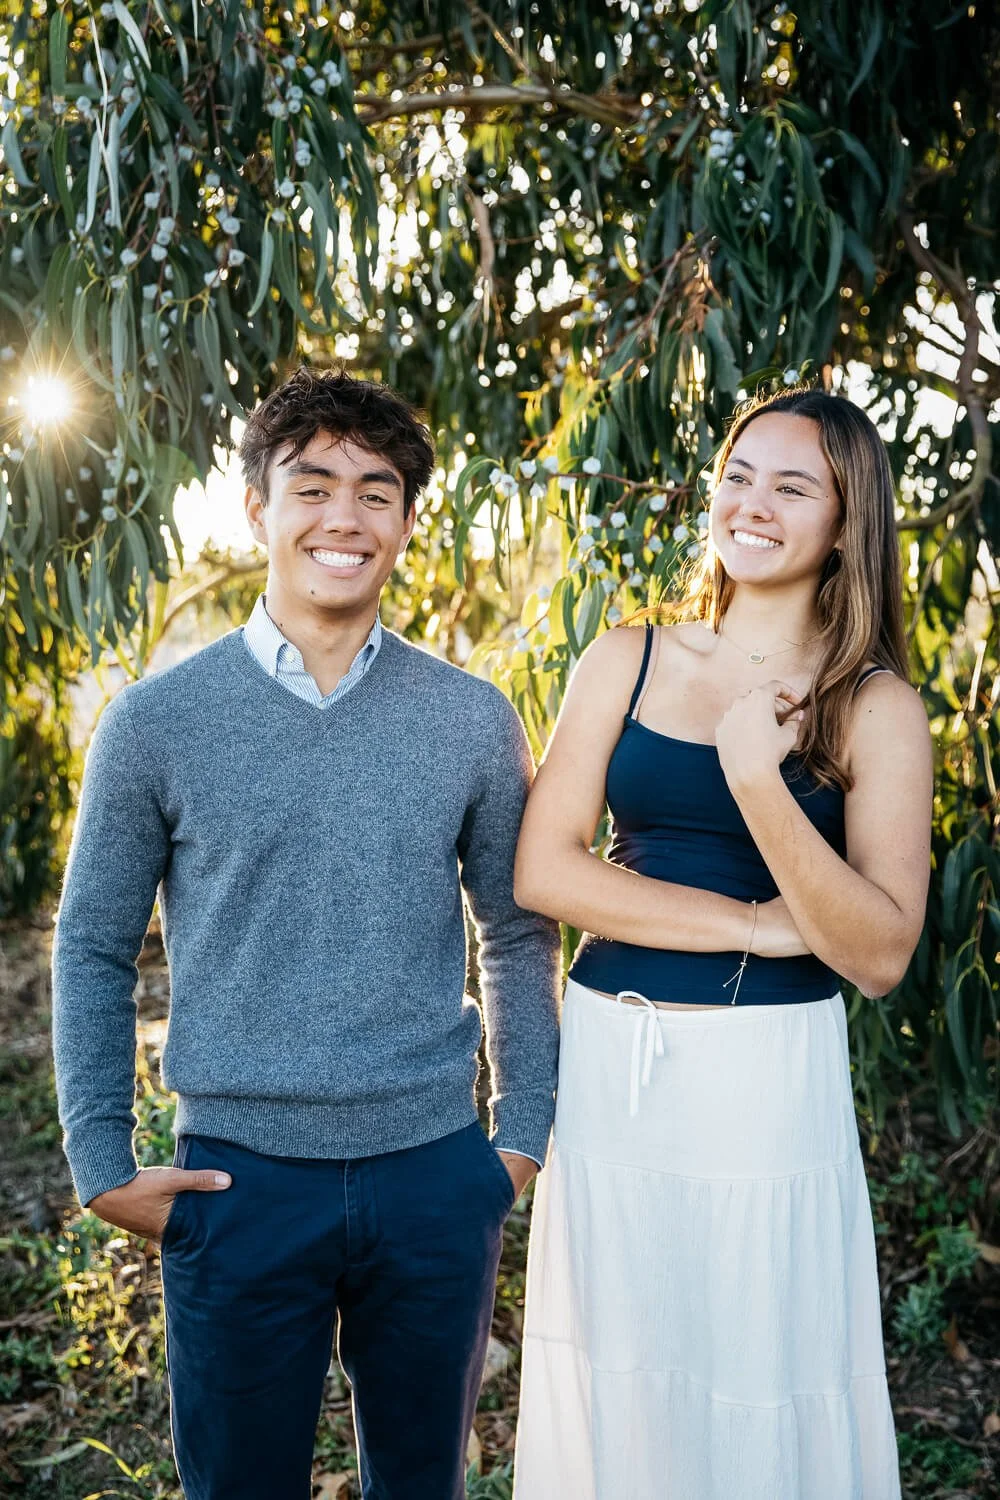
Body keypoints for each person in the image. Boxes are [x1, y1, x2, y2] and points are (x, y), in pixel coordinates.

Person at [52, 368, 561, 1500]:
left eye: (376, 492)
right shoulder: (157, 723)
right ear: (257, 508)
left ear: (405, 522)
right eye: (313, 484)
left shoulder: (469, 719)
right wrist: (101, 1162)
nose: (345, 516)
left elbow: (517, 934)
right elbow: (91, 947)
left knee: (421, 1486)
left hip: (433, 1172)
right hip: (238, 1180)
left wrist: (516, 1140)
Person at [511, 388, 932, 1500]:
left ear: (846, 524)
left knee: (757, 1351)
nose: (751, 502)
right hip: (616, 1061)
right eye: (739, 473)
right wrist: (753, 925)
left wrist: (756, 777)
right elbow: (545, 872)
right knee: (625, 1354)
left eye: (792, 487)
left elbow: (878, 953)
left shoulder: (874, 708)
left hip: (766, 1079)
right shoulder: (626, 657)